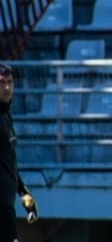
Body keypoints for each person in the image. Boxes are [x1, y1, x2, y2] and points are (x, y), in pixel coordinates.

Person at [0, 64, 39, 242]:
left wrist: (23, 192)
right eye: (1, 83)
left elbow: (8, 161)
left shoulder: (5, 115)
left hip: (7, 207)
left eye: (10, 82)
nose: (7, 88)